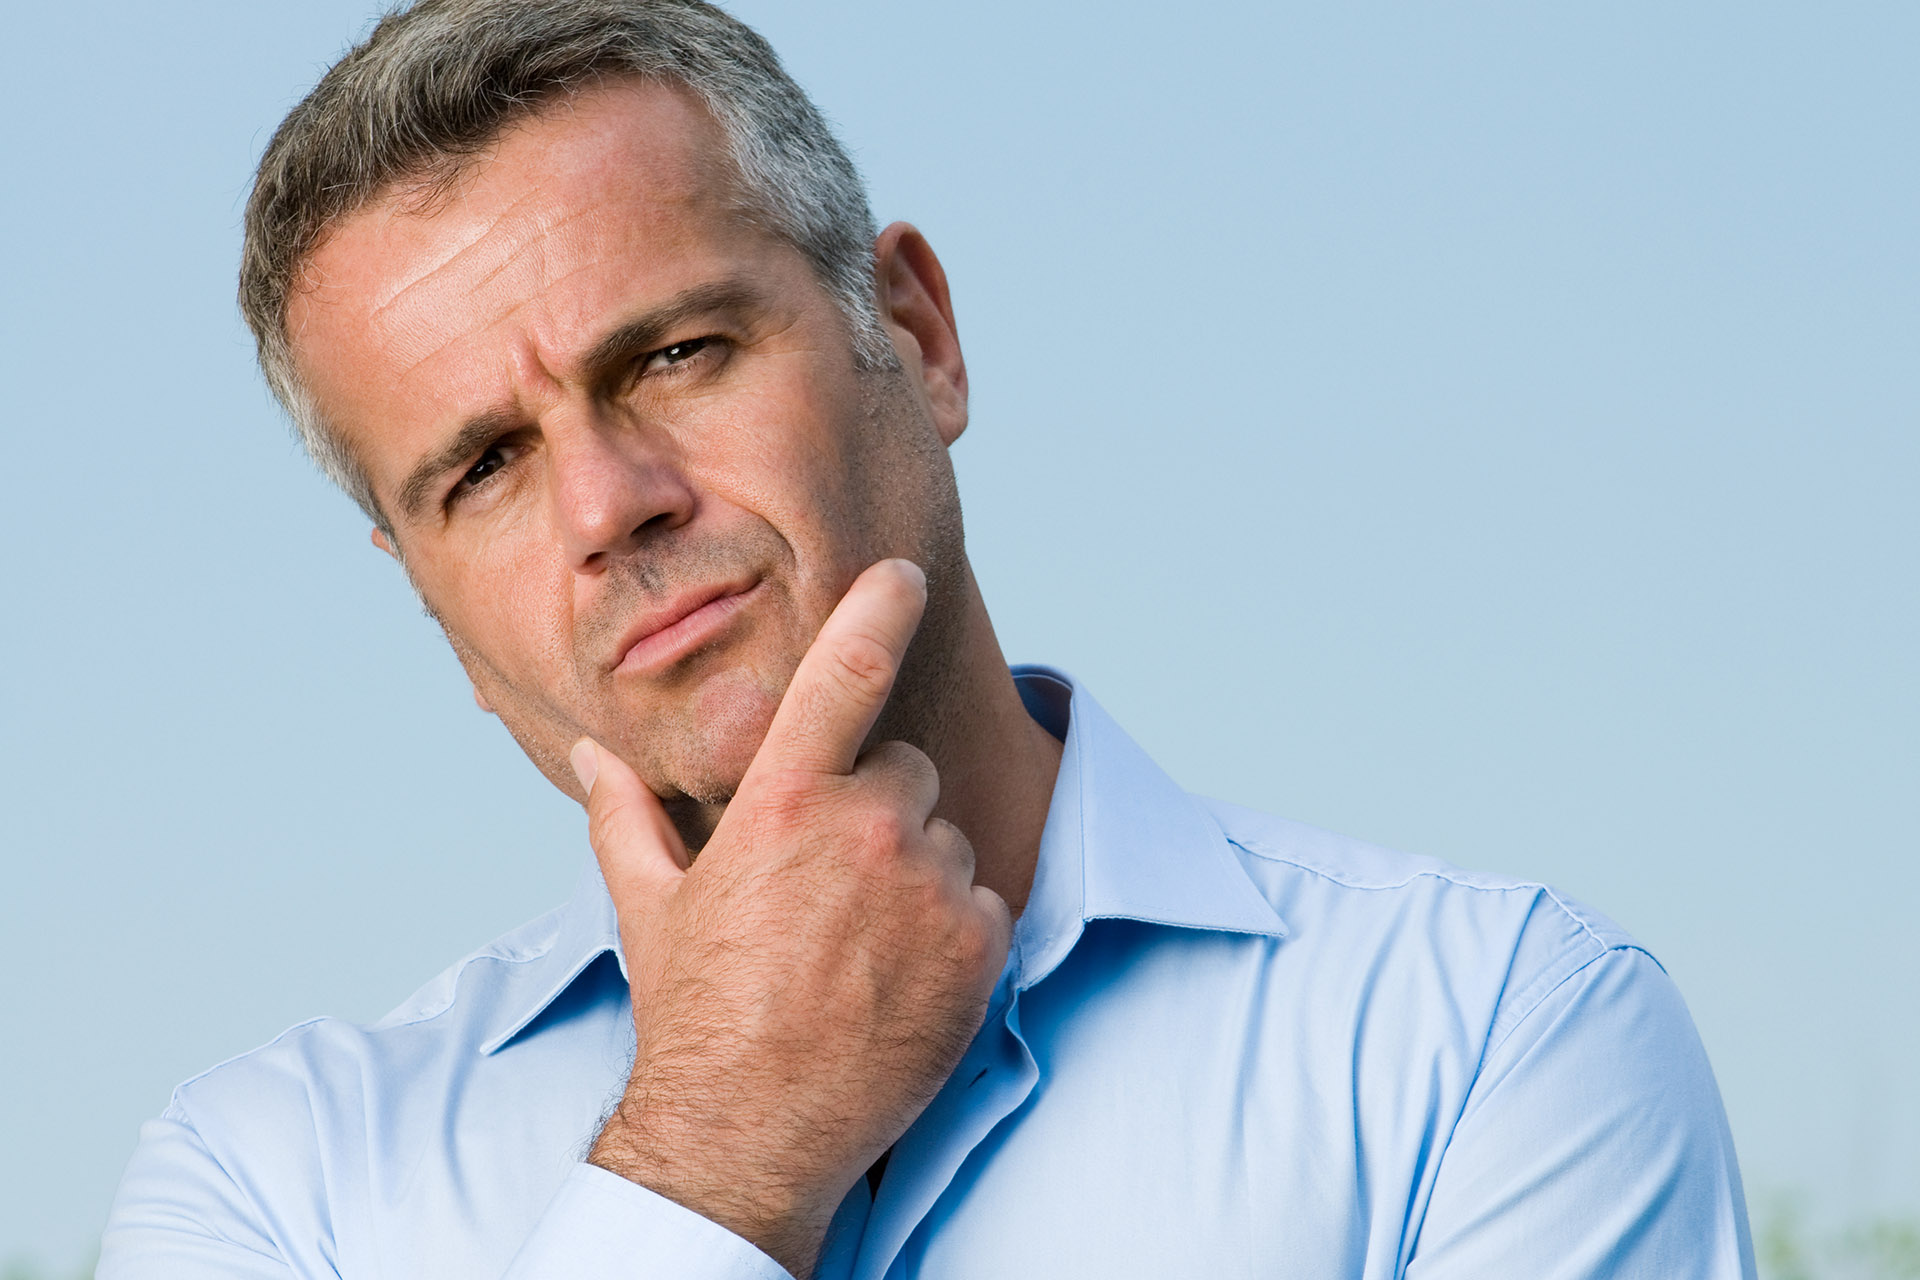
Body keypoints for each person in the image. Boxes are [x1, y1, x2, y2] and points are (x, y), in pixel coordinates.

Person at [99, 1, 1757, 1276]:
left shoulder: (1488, 1037)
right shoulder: (269, 1185)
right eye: (486, 466)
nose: (610, 504)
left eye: (675, 354)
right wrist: (716, 1155)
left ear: (917, 333)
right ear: (431, 606)